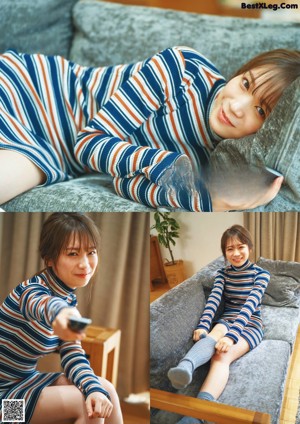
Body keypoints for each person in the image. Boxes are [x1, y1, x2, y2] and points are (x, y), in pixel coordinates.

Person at [0, 47, 299, 211]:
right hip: (34, 90)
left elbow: (123, 184)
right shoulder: (183, 69)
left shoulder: (205, 161)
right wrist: (163, 164)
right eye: (245, 83)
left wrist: (213, 201)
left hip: (53, 155)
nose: (236, 106)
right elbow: (89, 143)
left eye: (260, 111)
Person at [0, 213, 123, 424]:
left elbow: (72, 354)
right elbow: (44, 306)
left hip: (25, 383)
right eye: (73, 254)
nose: (85, 264)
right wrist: (64, 314)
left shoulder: (68, 299)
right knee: (88, 407)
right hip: (5, 407)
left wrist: (94, 389)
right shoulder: (30, 292)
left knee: (105, 390)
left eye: (91, 252)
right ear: (50, 259)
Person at [167, 225, 270, 424]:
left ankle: (199, 415)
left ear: (249, 247)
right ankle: (186, 368)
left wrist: (231, 338)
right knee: (214, 333)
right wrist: (204, 325)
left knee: (221, 356)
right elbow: (213, 301)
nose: (236, 253)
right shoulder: (222, 274)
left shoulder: (261, 275)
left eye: (240, 247)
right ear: (224, 253)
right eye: (230, 249)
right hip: (228, 319)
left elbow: (249, 306)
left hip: (250, 324)